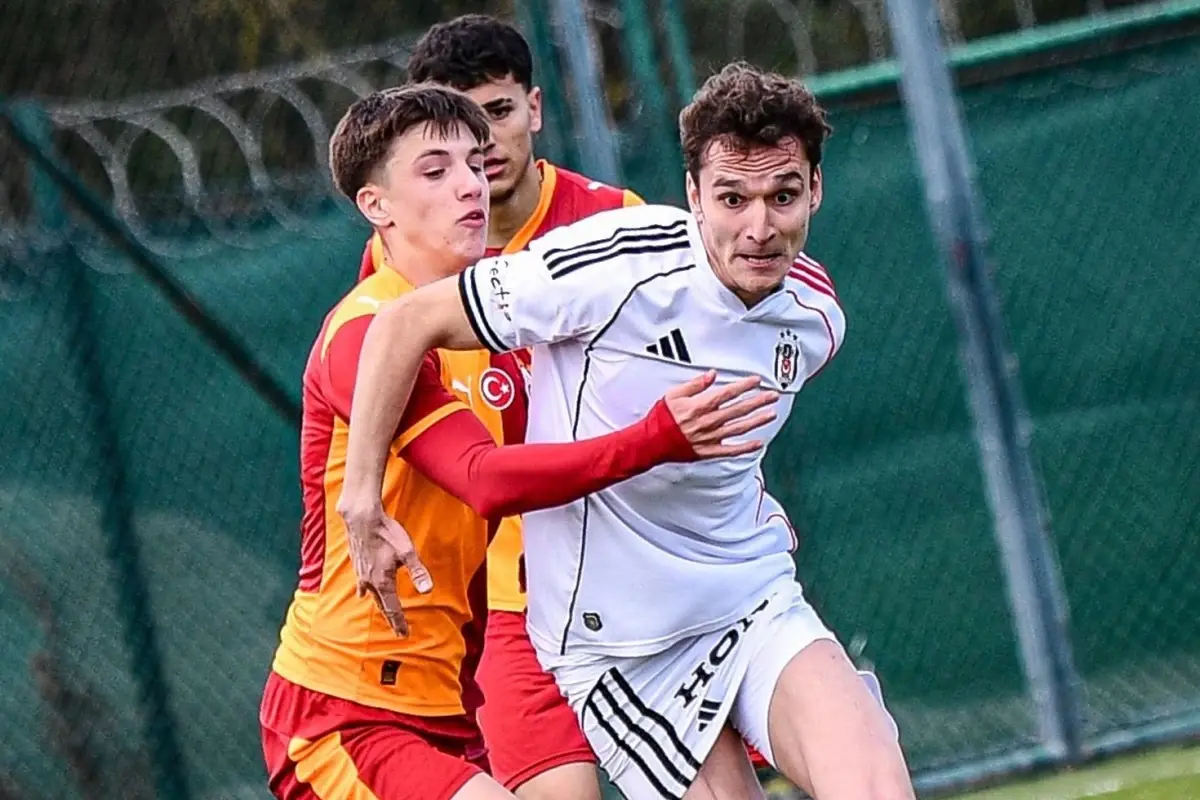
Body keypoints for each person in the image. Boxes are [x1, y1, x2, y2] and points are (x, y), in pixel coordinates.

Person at [339, 63, 915, 800]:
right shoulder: (615, 265)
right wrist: (363, 497)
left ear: (816, 192)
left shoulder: (815, 317)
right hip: (620, 646)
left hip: (751, 597)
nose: (759, 227)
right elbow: (403, 321)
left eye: (784, 196)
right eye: (732, 198)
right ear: (694, 197)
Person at [259, 83, 778, 800]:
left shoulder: (500, 326)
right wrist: (658, 438)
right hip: (345, 714)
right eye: (435, 171)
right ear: (375, 206)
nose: (470, 186)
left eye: (474, 164)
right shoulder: (365, 334)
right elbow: (487, 479)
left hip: (454, 704)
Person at [355, 15, 672, 799]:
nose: (481, 147)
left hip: (641, 575)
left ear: (533, 107)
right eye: (455, 131)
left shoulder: (612, 224)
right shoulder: (398, 266)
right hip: (512, 602)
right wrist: (361, 495)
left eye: (494, 114)